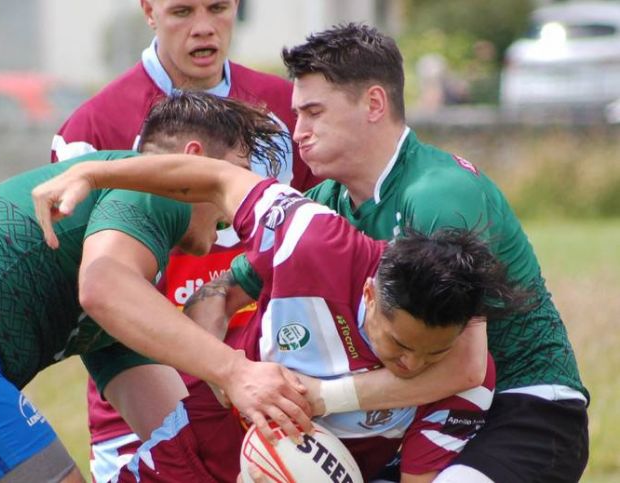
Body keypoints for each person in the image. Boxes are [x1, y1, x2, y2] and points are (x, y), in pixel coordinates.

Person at [0, 92, 313, 483]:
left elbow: (174, 431)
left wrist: (242, 450)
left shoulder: (129, 272)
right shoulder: (156, 193)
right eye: (236, 176)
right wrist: (236, 371)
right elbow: (101, 287)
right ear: (193, 159)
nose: (235, 203)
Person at [30, 152, 527, 482]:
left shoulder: (464, 383)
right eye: (398, 345)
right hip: (198, 447)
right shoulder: (312, 240)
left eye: (432, 353)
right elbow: (215, 177)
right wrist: (95, 173)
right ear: (372, 294)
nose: (412, 366)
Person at [230, 23, 588, 482]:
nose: (299, 133)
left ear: (374, 104)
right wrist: (234, 377)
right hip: (421, 418)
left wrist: (319, 397)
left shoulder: (439, 194)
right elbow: (225, 289)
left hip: (526, 405)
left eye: (314, 112)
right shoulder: (323, 205)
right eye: (297, 115)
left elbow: (466, 367)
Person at [49, 1, 320, 479]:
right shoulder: (90, 130)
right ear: (149, 11)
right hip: (140, 408)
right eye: (181, 12)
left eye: (217, 8)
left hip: (270, 389)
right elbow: (92, 293)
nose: (204, 28)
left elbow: (317, 244)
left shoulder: (289, 110)